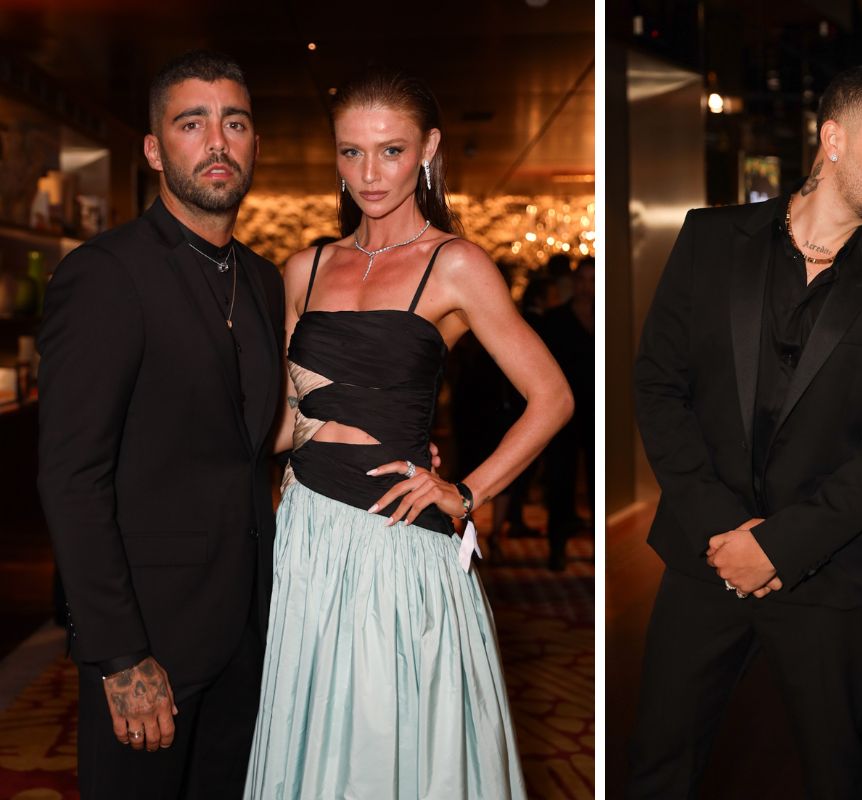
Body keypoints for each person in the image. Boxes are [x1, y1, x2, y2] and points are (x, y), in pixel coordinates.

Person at [243, 69, 572, 799]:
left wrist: (466, 493)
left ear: (427, 149)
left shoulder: (456, 264)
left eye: (390, 151)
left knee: (391, 736)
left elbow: (552, 397)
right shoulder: (304, 268)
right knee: (314, 728)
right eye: (351, 152)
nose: (370, 173)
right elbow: (285, 422)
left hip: (396, 534)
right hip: (305, 531)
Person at [629, 66, 862, 799]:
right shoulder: (709, 237)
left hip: (822, 572)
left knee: (838, 774)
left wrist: (779, 546)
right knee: (657, 768)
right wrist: (723, 530)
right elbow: (659, 387)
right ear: (833, 139)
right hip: (702, 559)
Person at [37, 51, 283, 798]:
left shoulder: (263, 279)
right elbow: (72, 478)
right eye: (191, 123)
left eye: (234, 122)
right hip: (151, 639)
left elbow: (253, 440)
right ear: (153, 149)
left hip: (250, 629)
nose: (217, 141)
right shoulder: (107, 274)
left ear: (254, 143)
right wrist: (118, 655)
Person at [541, 256, 595, 569]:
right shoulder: (555, 319)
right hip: (563, 414)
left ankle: (599, 549)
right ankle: (557, 547)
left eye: (593, 280)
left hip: (596, 413)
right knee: (560, 479)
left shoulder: (605, 317)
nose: (587, 287)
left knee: (598, 481)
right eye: (582, 280)